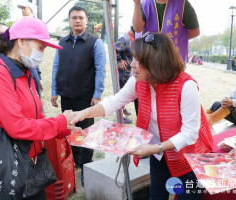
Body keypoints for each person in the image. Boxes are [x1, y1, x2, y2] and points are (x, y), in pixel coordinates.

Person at [70, 33, 214, 200]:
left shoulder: (186, 86)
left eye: (138, 61)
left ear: (155, 62)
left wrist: (155, 148)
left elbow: (190, 133)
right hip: (159, 152)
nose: (132, 65)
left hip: (189, 156)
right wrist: (83, 113)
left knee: (187, 196)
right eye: (133, 59)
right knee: (156, 194)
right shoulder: (139, 80)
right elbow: (115, 101)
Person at [0, 17, 79, 200]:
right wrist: (59, 122)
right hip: (8, 166)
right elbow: (17, 126)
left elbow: (37, 117)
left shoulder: (25, 72)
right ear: (21, 41)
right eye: (41, 47)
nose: (42, 54)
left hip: (31, 163)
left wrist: (66, 127)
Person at [51, 5, 106, 186]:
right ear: (69, 20)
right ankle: (72, 163)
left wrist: (97, 94)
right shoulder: (62, 43)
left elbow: (100, 69)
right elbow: (56, 67)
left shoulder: (94, 42)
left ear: (86, 20)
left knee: (86, 132)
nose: (77, 20)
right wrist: (54, 91)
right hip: (66, 95)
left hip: (85, 96)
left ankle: (86, 165)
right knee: (69, 129)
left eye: (81, 18)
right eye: (74, 17)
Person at [132, 0, 200, 64]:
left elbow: (195, 31)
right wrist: (137, 4)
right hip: (149, 61)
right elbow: (137, 28)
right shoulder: (144, 4)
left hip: (172, 62)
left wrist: (177, 40)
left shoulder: (183, 4)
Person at [17, 0, 44, 95]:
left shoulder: (38, 25)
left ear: (31, 10)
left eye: (25, 8)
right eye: (22, 9)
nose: (23, 10)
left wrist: (39, 77)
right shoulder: (18, 25)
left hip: (31, 67)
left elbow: (35, 53)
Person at [115, 26, 136, 124]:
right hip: (123, 73)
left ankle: (123, 109)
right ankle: (121, 116)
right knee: (121, 95)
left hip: (128, 73)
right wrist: (119, 60)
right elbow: (114, 48)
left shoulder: (133, 39)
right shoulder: (126, 38)